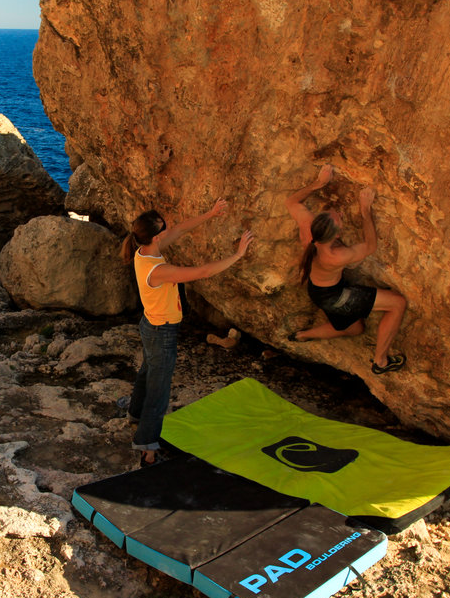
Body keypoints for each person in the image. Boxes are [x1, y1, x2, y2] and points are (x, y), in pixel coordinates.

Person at [120, 199, 254, 466]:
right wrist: (238, 255)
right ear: (156, 237)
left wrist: (211, 212)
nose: (168, 231)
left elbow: (179, 229)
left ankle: (134, 414)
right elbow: (203, 272)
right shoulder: (158, 270)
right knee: (159, 391)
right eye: (163, 229)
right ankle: (147, 447)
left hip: (150, 325)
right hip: (161, 331)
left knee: (148, 372)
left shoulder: (143, 251)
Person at [284, 164, 408, 374]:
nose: (340, 213)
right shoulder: (336, 255)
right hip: (336, 297)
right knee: (398, 303)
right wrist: (365, 210)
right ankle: (380, 361)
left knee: (356, 328)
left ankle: (303, 335)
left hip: (318, 291)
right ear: (337, 234)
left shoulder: (309, 227)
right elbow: (370, 246)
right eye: (339, 218)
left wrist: (319, 183)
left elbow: (291, 202)